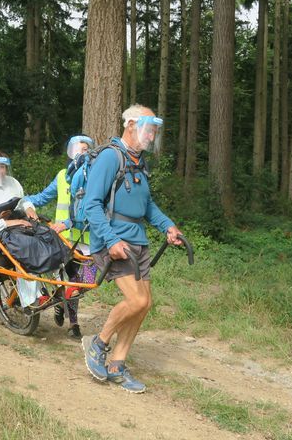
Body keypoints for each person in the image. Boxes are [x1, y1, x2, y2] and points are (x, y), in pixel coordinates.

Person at [81, 104, 182, 393]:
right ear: (131, 125)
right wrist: (111, 241)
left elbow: (147, 205)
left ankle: (117, 364)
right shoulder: (110, 158)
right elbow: (91, 205)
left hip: (137, 241)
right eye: (148, 129)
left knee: (145, 304)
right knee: (136, 301)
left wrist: (168, 226)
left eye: (154, 131)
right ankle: (98, 343)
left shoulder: (137, 161)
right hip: (114, 242)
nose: (152, 136)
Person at [23, 135, 95, 339]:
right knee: (64, 279)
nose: (81, 153)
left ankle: (61, 300)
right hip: (63, 241)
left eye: (85, 149)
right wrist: (27, 203)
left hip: (88, 241)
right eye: (77, 149)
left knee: (82, 284)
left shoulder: (97, 177)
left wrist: (68, 223)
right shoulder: (63, 175)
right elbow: (42, 196)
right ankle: (74, 324)